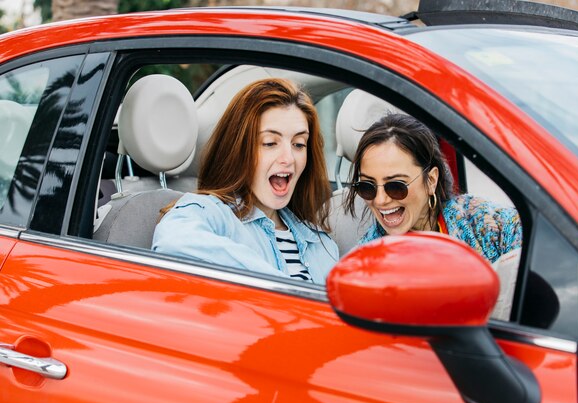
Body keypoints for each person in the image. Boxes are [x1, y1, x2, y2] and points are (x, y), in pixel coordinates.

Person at [152, 78, 338, 285]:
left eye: (298, 144)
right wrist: (288, 289)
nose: (289, 158)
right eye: (269, 143)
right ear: (239, 150)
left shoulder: (322, 245)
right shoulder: (211, 212)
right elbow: (172, 242)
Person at [344, 113, 522, 318]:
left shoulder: (477, 219)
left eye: (396, 186)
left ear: (431, 180)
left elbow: (539, 244)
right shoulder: (365, 262)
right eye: (368, 187)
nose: (380, 200)